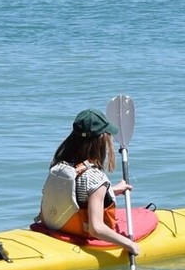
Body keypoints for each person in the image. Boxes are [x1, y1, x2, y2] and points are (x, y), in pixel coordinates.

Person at [41, 108, 140, 255]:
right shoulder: (95, 178)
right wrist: (129, 244)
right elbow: (96, 229)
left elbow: (74, 195)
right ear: (101, 141)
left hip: (58, 227)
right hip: (81, 233)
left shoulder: (60, 164)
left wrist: (110, 191)